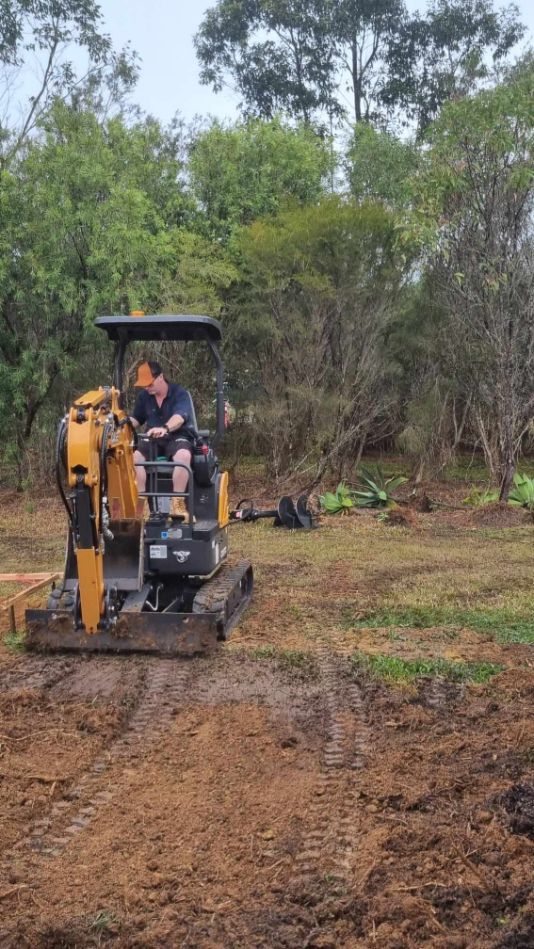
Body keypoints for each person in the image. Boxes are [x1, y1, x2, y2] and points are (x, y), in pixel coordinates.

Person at [129, 360, 195, 519]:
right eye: (144, 385)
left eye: (149, 383)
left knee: (184, 456)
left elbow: (179, 417)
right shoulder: (144, 397)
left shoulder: (180, 393)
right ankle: (142, 506)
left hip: (176, 436)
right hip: (152, 440)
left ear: (160, 377)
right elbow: (136, 419)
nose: (147, 387)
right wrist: (120, 424)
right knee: (135, 457)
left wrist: (164, 428)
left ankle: (177, 505)